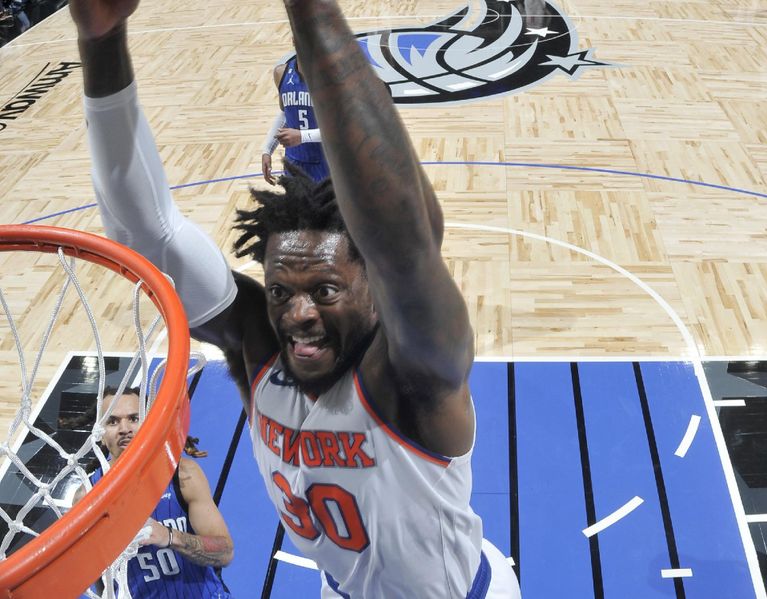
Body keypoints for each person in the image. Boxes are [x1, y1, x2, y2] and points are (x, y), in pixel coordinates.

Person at [69, 0, 521, 596]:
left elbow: (407, 239)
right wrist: (101, 41)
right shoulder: (261, 350)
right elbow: (148, 233)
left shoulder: (411, 374)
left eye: (326, 290)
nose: (299, 314)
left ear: (374, 290)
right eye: (281, 290)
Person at [73, 387, 234, 598]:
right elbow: (99, 579)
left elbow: (225, 552)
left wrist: (169, 536)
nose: (124, 428)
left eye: (133, 418)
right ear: (100, 435)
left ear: (149, 424)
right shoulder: (86, 497)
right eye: (112, 421)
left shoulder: (184, 476)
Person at [261, 53, 329, 184]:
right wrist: (267, 150)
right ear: (293, 39)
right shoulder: (281, 73)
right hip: (293, 163)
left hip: (327, 163)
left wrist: (302, 136)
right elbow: (285, 113)